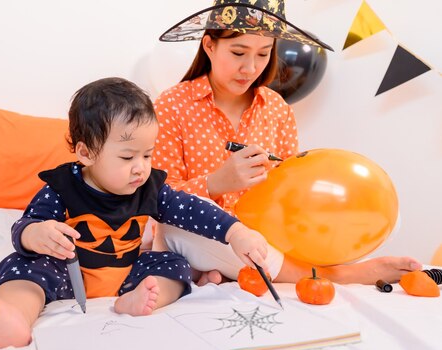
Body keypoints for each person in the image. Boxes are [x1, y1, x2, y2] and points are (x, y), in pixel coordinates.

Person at [0, 77, 269, 348]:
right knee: (22, 267)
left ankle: (139, 300)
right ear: (86, 153)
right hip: (68, 275)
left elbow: (191, 210)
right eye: (128, 157)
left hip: (128, 273)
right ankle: (12, 317)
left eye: (148, 154)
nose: (141, 167)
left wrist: (235, 232)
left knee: (175, 265)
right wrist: (38, 234)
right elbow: (24, 227)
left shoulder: (149, 188)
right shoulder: (63, 188)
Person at [152, 0, 421, 286]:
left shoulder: (277, 108)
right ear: (209, 46)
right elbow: (155, 198)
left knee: (385, 215)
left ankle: (250, 270)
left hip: (268, 237)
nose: (250, 67)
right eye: (238, 52)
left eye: (263, 54)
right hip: (209, 234)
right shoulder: (171, 105)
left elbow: (293, 189)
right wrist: (216, 182)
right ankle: (338, 275)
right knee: (175, 230)